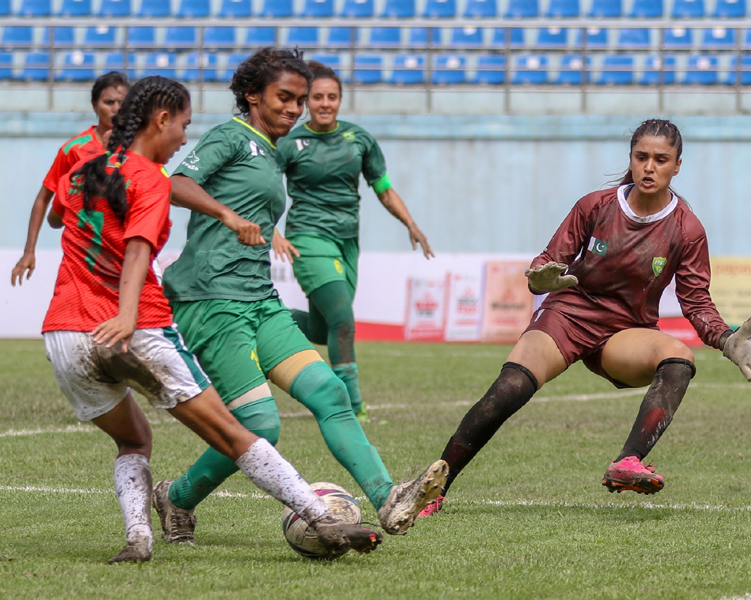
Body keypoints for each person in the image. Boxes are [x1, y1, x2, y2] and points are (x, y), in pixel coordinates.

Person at [41, 75, 382, 564]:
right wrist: (127, 314)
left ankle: (139, 537)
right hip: (133, 329)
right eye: (182, 125)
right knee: (239, 432)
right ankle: (322, 518)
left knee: (134, 439)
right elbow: (138, 250)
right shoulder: (151, 179)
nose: (184, 138)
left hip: (65, 333)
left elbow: (57, 216)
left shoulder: (81, 170)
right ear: (160, 121)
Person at [154, 48, 448, 545]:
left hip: (259, 300)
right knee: (259, 426)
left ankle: (387, 497)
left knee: (328, 393)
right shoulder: (231, 136)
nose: (294, 109)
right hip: (212, 300)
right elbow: (175, 182)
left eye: (299, 100)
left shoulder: (273, 149)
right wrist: (227, 216)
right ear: (252, 96)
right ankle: (176, 498)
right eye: (284, 99)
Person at [419, 119, 751, 517]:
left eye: (661, 160)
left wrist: (727, 339)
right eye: (641, 157)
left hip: (626, 332)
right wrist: (541, 278)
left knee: (679, 359)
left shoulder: (687, 229)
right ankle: (435, 487)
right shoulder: (595, 206)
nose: (649, 167)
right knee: (508, 390)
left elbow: (695, 302)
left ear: (677, 166)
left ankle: (628, 462)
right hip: (569, 315)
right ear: (631, 159)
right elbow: (549, 263)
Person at [272, 61, 433, 422]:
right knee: (343, 319)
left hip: (347, 242)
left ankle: (264, 318)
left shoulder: (359, 139)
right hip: (307, 239)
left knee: (321, 327)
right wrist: (273, 231)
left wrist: (411, 223)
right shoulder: (290, 142)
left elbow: (383, 188)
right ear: (307, 101)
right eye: (317, 97)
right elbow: (261, 188)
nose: (325, 103)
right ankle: (351, 404)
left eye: (332, 97)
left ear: (341, 100)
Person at [11, 71, 129, 287]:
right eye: (109, 102)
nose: (116, 108)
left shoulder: (138, 147)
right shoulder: (74, 149)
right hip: (86, 254)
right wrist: (29, 251)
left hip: (128, 251)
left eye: (122, 102)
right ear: (95, 106)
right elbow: (44, 198)